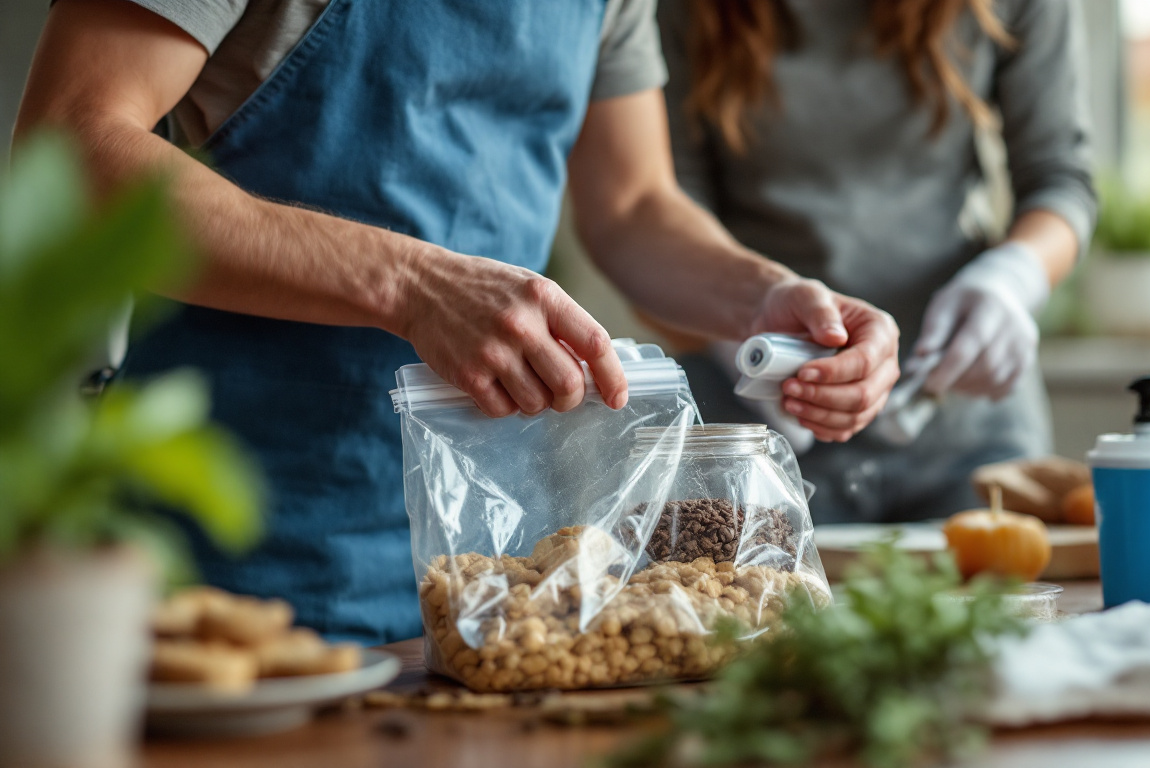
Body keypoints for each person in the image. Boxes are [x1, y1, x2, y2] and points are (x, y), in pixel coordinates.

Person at [15, 0, 900, 643]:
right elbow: (71, 147)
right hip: (232, 553)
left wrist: (763, 300)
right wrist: (411, 283)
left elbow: (632, 207)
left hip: (491, 584)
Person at [659, 0, 1096, 524]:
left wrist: (1013, 279)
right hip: (749, 437)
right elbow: (655, 215)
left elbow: (1061, 179)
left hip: (965, 435)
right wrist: (736, 337)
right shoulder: (680, 11)